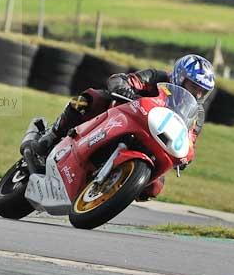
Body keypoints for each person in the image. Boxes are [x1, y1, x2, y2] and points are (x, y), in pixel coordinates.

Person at [26, 54, 215, 199]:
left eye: (202, 91)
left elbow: (190, 138)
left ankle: (115, 188)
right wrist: (125, 89)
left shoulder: (196, 114)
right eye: (193, 87)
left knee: (154, 187)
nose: (197, 94)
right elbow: (122, 79)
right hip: (126, 115)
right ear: (179, 76)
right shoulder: (157, 77)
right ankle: (50, 136)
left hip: (152, 140)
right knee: (87, 100)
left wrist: (186, 156)